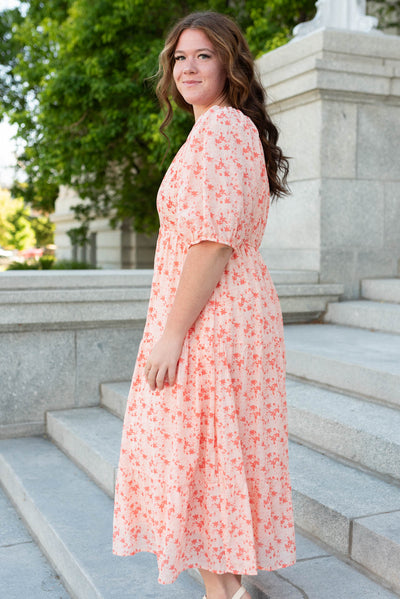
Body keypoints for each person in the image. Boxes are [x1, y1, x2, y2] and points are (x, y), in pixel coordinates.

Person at [113, 11, 296, 599]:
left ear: (230, 63)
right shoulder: (219, 130)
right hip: (220, 314)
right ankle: (231, 588)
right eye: (179, 57)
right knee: (205, 457)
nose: (188, 67)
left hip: (211, 320)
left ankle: (227, 593)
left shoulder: (222, 131)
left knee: (196, 457)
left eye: (203, 56)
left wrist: (171, 334)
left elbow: (213, 243)